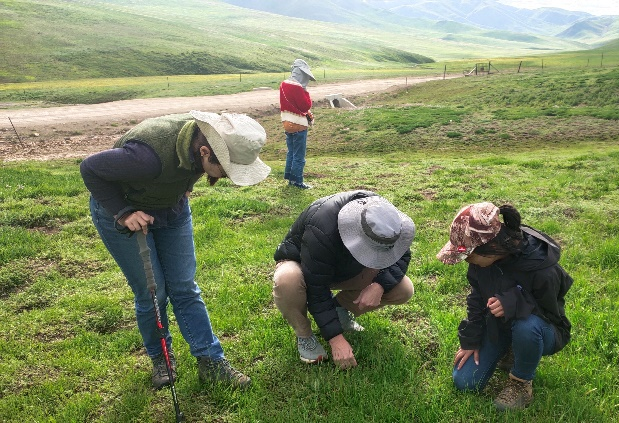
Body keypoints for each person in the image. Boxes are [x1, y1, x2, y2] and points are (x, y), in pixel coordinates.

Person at [80, 110, 271, 389]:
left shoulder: (202, 143)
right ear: (205, 151)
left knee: (184, 287)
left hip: (172, 211)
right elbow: (90, 168)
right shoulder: (146, 158)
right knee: (152, 291)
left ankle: (211, 362)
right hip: (124, 211)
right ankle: (162, 359)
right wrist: (123, 213)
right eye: (227, 170)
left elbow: (188, 167)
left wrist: (184, 187)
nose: (229, 178)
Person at [437, 202, 573, 411]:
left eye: (468, 256)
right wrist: (471, 340)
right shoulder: (480, 264)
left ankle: (520, 382)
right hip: (499, 327)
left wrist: (514, 302)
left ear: (490, 249)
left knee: (527, 327)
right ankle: (510, 350)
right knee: (465, 382)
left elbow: (550, 315)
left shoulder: (544, 269)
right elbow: (476, 298)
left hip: (544, 330)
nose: (467, 261)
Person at [273, 190, 415, 368]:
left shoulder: (388, 220)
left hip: (345, 267)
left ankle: (340, 309)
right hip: (306, 266)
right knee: (288, 280)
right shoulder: (322, 225)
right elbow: (317, 287)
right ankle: (304, 335)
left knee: (403, 289)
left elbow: (401, 256)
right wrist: (335, 339)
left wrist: (379, 285)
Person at [279, 58, 316, 189]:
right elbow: (305, 105)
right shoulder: (298, 87)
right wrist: (305, 91)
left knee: (291, 152)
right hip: (299, 124)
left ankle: (289, 177)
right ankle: (297, 181)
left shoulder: (283, 84)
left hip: (286, 123)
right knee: (299, 155)